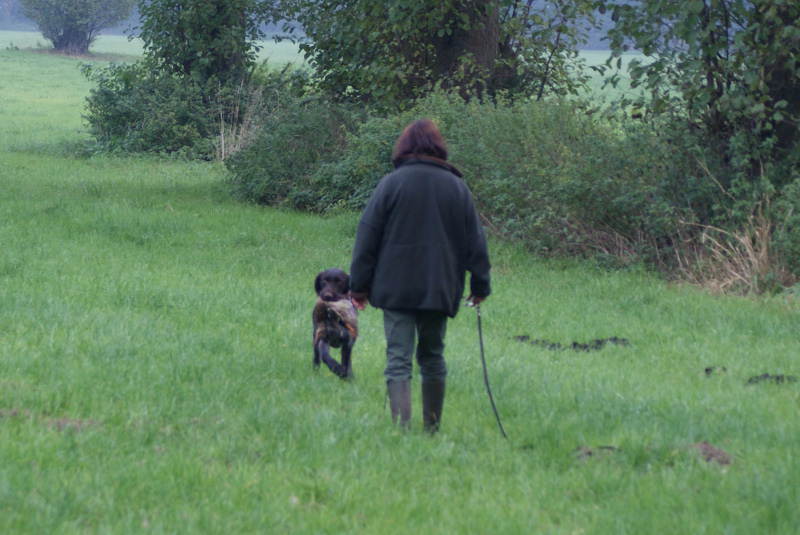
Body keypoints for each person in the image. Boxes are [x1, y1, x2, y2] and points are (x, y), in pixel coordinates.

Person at [349, 118, 491, 432]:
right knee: (433, 355)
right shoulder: (457, 187)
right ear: (439, 147)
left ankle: (401, 429)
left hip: (395, 287)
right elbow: (476, 241)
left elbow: (367, 237)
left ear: (403, 147)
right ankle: (432, 428)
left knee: (398, 357)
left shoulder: (391, 183)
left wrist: (358, 288)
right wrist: (480, 285)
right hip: (439, 286)